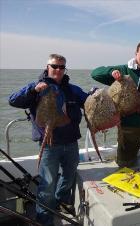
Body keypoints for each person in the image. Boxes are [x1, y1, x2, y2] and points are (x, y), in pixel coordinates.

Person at [8, 54, 88, 226]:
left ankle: (58, 203)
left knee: (68, 176)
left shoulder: (72, 89)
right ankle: (44, 220)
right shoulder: (36, 86)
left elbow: (87, 100)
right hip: (49, 144)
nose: (58, 70)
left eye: (62, 67)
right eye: (54, 66)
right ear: (47, 67)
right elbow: (13, 100)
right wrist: (33, 90)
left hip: (71, 142)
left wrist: (96, 93)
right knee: (48, 184)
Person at [91, 41, 140, 167]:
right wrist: (111, 72)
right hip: (127, 127)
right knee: (125, 165)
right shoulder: (123, 69)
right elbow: (95, 74)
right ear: (136, 53)